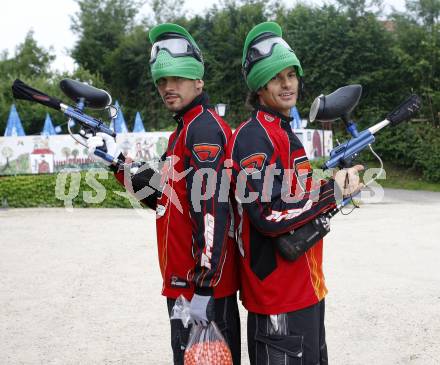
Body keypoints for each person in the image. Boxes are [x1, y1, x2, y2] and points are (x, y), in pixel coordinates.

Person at [87, 23, 240, 365]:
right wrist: (117, 162)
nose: (168, 87)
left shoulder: (202, 130)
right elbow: (163, 198)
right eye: (162, 81)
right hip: (186, 285)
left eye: (178, 79)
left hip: (199, 289)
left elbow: (212, 210)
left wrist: (204, 288)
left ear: (198, 80)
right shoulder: (184, 131)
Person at [227, 21, 363, 364]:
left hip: (306, 288)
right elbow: (267, 214)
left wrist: (332, 183)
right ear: (259, 85)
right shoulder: (252, 136)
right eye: (276, 77)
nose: (287, 84)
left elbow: (295, 197)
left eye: (291, 75)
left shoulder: (284, 131)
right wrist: (332, 191)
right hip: (278, 298)